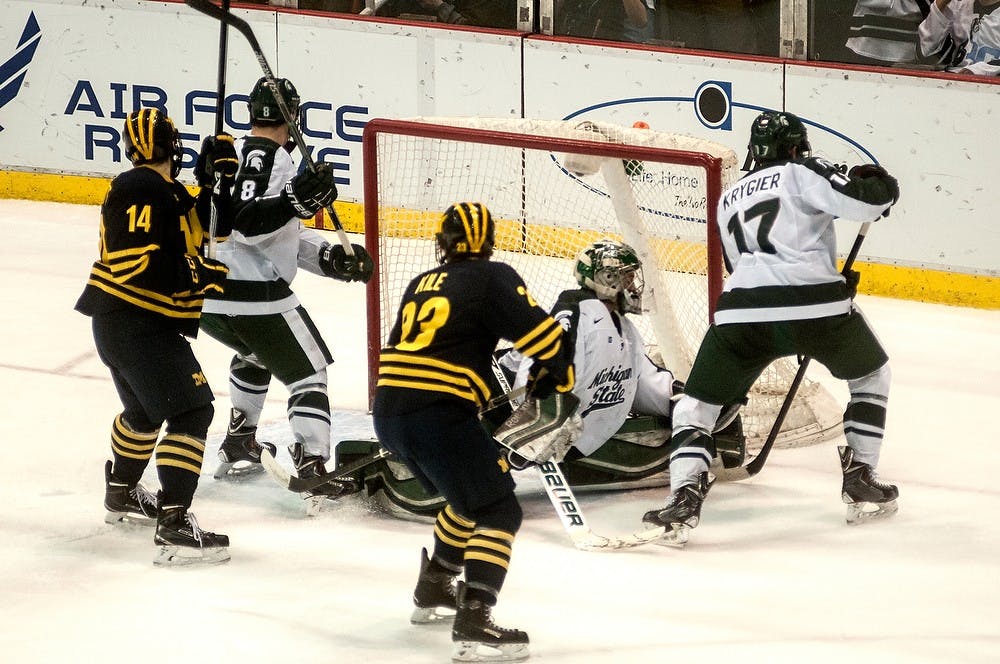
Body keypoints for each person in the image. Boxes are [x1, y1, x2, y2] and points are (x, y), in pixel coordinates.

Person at [641, 111, 901, 547]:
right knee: (872, 376)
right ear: (795, 148)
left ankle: (684, 495)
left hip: (742, 313)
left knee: (695, 406)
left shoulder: (726, 198)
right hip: (814, 307)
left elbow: (739, 266)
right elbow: (866, 202)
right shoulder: (801, 172)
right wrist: (881, 183)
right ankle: (860, 477)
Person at [371, 202, 575, 662]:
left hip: (389, 412)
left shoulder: (418, 283)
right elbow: (546, 339)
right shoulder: (491, 277)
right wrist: (557, 379)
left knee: (470, 498)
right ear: (488, 243)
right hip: (437, 413)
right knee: (499, 510)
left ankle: (435, 586)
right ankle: (476, 619)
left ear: (442, 243)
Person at [199, 77, 373, 503]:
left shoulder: (234, 152)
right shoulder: (271, 155)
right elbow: (251, 227)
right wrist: (296, 202)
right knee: (309, 372)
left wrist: (330, 259)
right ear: (292, 116)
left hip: (209, 293)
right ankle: (313, 465)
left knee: (255, 352)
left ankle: (241, 441)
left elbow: (276, 235)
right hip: (253, 292)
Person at [76, 108, 236, 566]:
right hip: (138, 322)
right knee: (192, 410)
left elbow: (214, 231)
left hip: (127, 323)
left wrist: (217, 182)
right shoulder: (138, 187)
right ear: (170, 146)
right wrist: (194, 272)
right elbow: (135, 259)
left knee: (144, 412)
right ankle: (174, 523)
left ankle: (122, 492)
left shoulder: (167, 191)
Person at [919, 0, 1000, 76]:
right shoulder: (957, 5)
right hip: (952, 78)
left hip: (990, 83)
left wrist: (980, 70)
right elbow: (924, 51)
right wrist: (940, 6)